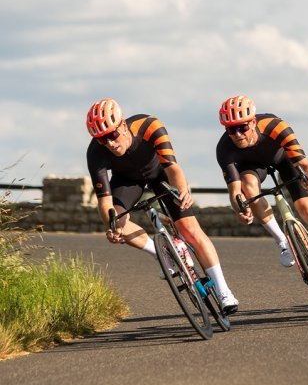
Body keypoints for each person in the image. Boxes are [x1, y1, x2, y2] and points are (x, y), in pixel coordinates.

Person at [85, 98, 239, 313]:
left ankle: (224, 291)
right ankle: (159, 253)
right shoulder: (95, 152)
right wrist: (113, 226)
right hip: (127, 181)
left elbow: (172, 167)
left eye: (112, 135)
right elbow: (105, 202)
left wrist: (182, 190)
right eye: (102, 139)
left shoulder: (149, 126)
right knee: (115, 220)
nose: (109, 143)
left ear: (122, 125)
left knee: (190, 229)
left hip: (160, 173)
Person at [215, 95, 308, 299]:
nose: (237, 134)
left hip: (283, 159)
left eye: (242, 128)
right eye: (231, 129)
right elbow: (235, 191)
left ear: (253, 122)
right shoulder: (224, 149)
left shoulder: (275, 125)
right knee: (248, 186)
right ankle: (282, 240)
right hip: (252, 168)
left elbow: (305, 164)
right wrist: (241, 209)